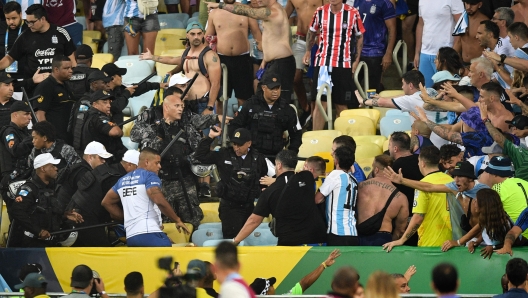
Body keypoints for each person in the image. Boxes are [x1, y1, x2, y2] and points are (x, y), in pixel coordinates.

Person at [130, 91, 224, 229]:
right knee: (165, 221)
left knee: (192, 219)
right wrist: (156, 132)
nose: (181, 108)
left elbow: (198, 153)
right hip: (161, 181)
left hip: (185, 180)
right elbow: (136, 139)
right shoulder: (151, 126)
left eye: (182, 105)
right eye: (177, 105)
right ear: (166, 107)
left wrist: (208, 139)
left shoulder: (186, 127)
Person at [207, 0, 296, 105]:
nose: (257, 1)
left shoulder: (273, 12)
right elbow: (272, 39)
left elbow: (246, 11)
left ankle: (293, 122)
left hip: (282, 63)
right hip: (273, 62)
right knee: (264, 100)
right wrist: (265, 60)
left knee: (281, 103)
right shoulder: (272, 11)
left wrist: (220, 5)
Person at [232, 151, 326, 246]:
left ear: (279, 165)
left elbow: (254, 221)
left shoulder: (269, 192)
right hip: (316, 239)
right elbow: (295, 179)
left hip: (290, 243)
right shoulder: (307, 177)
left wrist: (236, 241)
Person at [102, 148, 190, 247]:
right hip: (148, 232)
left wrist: (126, 218)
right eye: (157, 163)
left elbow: (106, 202)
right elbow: (159, 200)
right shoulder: (150, 176)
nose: (159, 166)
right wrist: (177, 220)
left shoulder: (122, 180)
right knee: (175, 257)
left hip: (131, 236)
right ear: (147, 162)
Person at [195, 127, 267, 239]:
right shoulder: (224, 154)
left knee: (249, 240)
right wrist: (210, 137)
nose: (236, 148)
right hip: (229, 207)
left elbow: (263, 177)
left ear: (249, 143)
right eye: (234, 144)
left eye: (240, 145)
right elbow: (200, 156)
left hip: (249, 206)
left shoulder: (259, 158)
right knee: (231, 239)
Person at [304, 0, 364, 130]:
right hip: (323, 64)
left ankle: (343, 141)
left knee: (341, 104)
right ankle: (316, 140)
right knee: (320, 103)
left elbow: (359, 36)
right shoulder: (319, 12)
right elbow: (311, 32)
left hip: (343, 64)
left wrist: (356, 59)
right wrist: (308, 51)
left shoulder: (353, 13)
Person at [140, 22, 221, 115]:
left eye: (199, 34)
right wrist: (152, 57)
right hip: (184, 103)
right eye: (192, 34)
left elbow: (216, 83)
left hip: (202, 102)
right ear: (187, 35)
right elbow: (172, 59)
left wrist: (210, 107)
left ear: (203, 34)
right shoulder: (186, 53)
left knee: (202, 129)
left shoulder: (210, 56)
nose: (196, 37)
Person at [382, 146, 454, 251]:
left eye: (418, 161)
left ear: (423, 163)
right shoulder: (451, 181)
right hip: (452, 242)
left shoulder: (421, 186)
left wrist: (402, 240)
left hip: (431, 244)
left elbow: (418, 217)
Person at [360, 70, 449, 147]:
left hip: (432, 141)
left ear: (410, 85)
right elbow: (403, 95)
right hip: (446, 136)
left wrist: (364, 101)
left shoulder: (411, 99)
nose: (402, 87)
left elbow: (381, 103)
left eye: (403, 84)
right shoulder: (430, 91)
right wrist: (388, 97)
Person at [70, 149, 139, 247]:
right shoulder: (117, 179)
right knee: (103, 253)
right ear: (129, 165)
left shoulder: (107, 169)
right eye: (137, 168)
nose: (139, 173)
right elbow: (113, 210)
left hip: (77, 211)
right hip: (86, 219)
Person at [228, 70, 302, 158]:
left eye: (278, 88)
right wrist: (240, 148)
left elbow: (296, 133)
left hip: (276, 157)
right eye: (272, 88)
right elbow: (234, 126)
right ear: (263, 88)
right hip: (251, 156)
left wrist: (291, 153)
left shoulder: (287, 109)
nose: (275, 92)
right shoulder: (250, 105)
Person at [0, 4, 76, 78]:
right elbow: (10, 57)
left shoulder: (61, 33)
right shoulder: (25, 36)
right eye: (27, 22)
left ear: (42, 19)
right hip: (33, 84)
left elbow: (72, 61)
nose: (29, 25)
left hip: (57, 83)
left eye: (32, 22)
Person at [205, 2, 257, 108]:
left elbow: (257, 35)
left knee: (244, 97)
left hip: (243, 59)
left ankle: (241, 124)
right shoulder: (214, 13)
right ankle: (219, 125)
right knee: (220, 98)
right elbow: (207, 38)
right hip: (221, 59)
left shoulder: (246, 10)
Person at [7, 153, 62, 247]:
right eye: (52, 166)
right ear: (43, 168)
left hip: (50, 241)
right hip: (32, 243)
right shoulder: (28, 189)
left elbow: (49, 211)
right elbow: (17, 211)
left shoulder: (50, 187)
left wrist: (65, 215)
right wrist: (38, 231)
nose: (56, 168)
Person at [356, 154, 409, 246]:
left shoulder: (360, 187)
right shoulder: (401, 197)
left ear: (376, 169)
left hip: (360, 237)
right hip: (384, 239)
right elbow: (400, 230)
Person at [284, 0, 322, 123]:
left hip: (319, 39)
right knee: (295, 77)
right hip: (301, 39)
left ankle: (317, 113)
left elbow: (329, 12)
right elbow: (283, 16)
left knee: (315, 80)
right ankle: (306, 108)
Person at [315, 146, 359, 246]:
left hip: (338, 233)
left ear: (336, 161)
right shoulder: (353, 179)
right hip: (353, 233)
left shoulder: (335, 175)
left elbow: (317, 199)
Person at [415, 0, 463, 87]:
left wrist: (452, 53)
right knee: (425, 91)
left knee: (445, 91)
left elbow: (460, 25)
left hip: (445, 54)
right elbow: (420, 24)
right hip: (425, 53)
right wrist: (417, 52)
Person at [55, 141, 110, 215]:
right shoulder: (83, 173)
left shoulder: (78, 168)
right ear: (90, 157)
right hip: (70, 215)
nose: (104, 161)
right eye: (101, 158)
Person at [353, 0, 396, 93]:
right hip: (357, 51)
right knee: (352, 86)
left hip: (375, 52)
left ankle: (372, 106)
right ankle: (355, 105)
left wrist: (388, 53)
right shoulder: (357, 1)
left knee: (372, 89)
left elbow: (392, 29)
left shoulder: (385, 3)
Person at [33, 55, 75, 145]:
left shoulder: (67, 85)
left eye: (71, 68)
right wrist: (48, 138)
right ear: (56, 69)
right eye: (66, 68)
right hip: (55, 139)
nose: (71, 71)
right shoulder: (45, 86)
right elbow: (39, 114)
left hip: (68, 137)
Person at [0, 100, 33, 211]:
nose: (30, 117)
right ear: (15, 115)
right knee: (18, 215)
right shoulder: (9, 132)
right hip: (12, 178)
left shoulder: (25, 132)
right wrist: (31, 139)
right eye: (26, 114)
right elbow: (15, 150)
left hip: (25, 177)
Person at [76, 90, 127, 161]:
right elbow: (115, 132)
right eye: (104, 102)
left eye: (110, 102)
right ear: (95, 104)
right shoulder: (98, 118)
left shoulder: (88, 114)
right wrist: (119, 130)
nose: (109, 105)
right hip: (102, 159)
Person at [482, 106, 528, 181]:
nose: (513, 131)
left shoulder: (521, 155)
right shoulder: (521, 151)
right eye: (512, 128)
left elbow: (498, 138)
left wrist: (485, 119)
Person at [388, 132, 424, 227]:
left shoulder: (396, 166)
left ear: (395, 149)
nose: (389, 148)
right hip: (425, 212)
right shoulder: (421, 160)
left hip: (407, 217)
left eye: (390, 145)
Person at [0, 2, 29, 82]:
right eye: (8, 19)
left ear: (20, 14)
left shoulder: (29, 28)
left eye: (14, 18)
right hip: (3, 76)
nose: (11, 22)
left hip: (24, 76)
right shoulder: (1, 27)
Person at [455, 0, 489, 65]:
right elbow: (459, 41)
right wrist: (449, 58)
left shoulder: (484, 22)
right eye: (467, 3)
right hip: (463, 63)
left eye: (472, 4)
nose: (468, 7)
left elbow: (490, 46)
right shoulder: (463, 19)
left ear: (480, 4)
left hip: (479, 65)